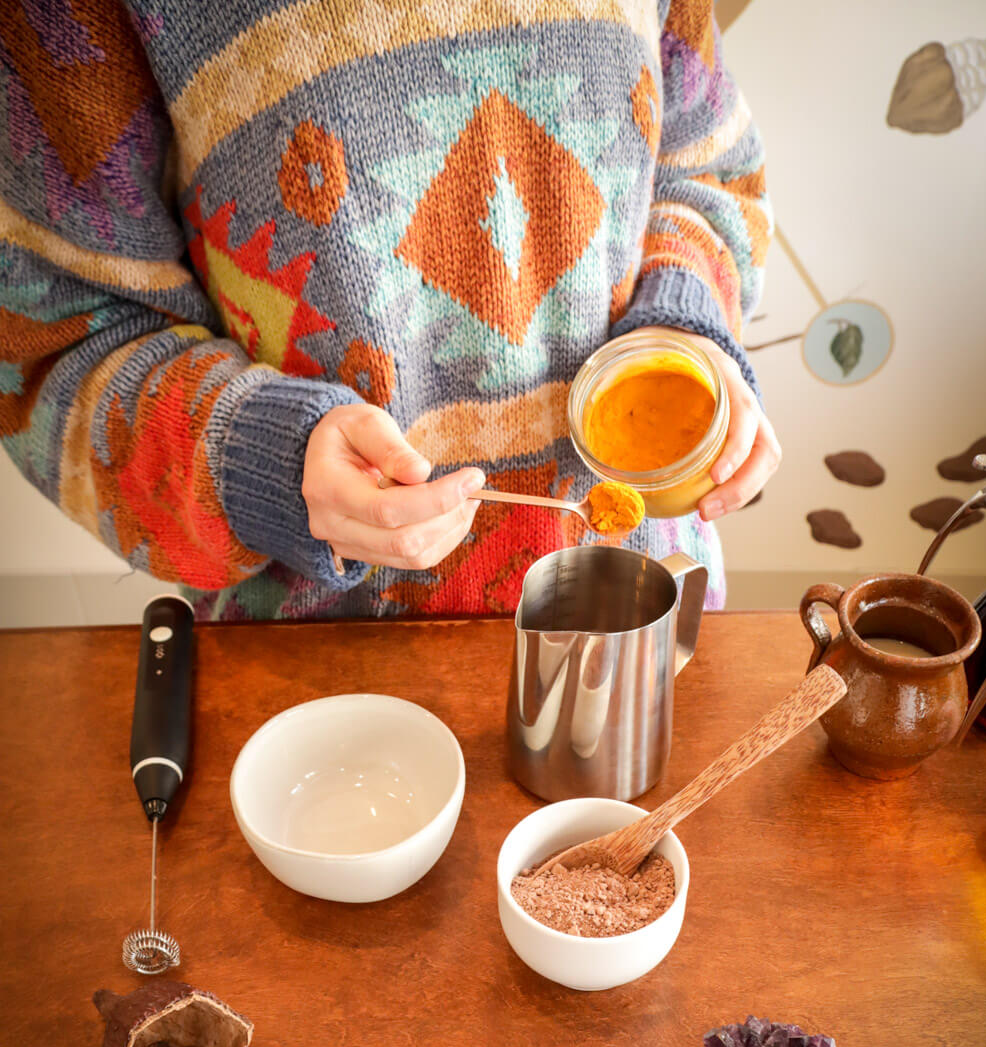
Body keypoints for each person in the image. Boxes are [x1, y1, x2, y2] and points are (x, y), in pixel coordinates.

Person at [0, 0, 779, 621]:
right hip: (329, 666)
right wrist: (262, 457)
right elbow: (51, 337)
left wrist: (687, 315)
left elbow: (705, 171)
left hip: (647, 617)